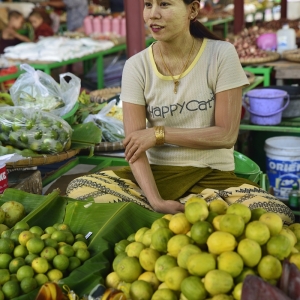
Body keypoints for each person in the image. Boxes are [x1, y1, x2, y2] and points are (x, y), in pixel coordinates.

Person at [66, 0, 294, 224]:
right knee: (80, 189)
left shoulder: (220, 54)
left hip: (212, 178)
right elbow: (134, 148)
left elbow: (226, 136)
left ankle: (174, 216)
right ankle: (180, 215)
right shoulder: (137, 66)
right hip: (155, 179)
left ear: (192, 10)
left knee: (276, 213)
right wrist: (156, 200)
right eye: (148, 5)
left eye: (164, 4)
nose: (152, 14)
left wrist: (159, 134)